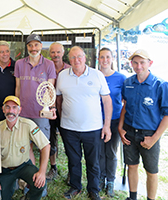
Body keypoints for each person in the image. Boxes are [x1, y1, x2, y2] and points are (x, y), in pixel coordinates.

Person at [56, 46, 112, 200]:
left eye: (79, 56)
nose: (76, 60)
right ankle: (75, 186)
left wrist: (106, 126)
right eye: (72, 57)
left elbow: (107, 101)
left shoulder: (97, 75)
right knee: (73, 160)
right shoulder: (62, 76)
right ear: (69, 60)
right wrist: (62, 120)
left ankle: (93, 190)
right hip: (69, 128)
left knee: (93, 162)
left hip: (93, 128)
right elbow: (58, 100)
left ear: (85, 57)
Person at [118, 49, 168, 200]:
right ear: (131, 64)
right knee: (131, 166)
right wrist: (120, 128)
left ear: (150, 63)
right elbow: (125, 106)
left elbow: (167, 114)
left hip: (149, 134)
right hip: (129, 132)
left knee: (151, 171)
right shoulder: (128, 83)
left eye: (142, 62)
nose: (138, 66)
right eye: (135, 62)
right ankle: (132, 197)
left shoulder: (160, 85)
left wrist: (154, 138)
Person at [0, 95, 50, 200]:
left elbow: (46, 146)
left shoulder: (29, 125)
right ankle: (11, 184)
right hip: (5, 170)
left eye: (14, 107)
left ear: (19, 110)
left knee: (40, 184)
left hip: (23, 166)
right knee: (1, 197)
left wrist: (42, 172)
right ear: (3, 109)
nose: (11, 111)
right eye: (7, 107)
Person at [14, 33, 56, 164]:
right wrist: (16, 107)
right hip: (24, 112)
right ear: (27, 47)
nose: (33, 48)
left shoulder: (49, 64)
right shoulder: (19, 64)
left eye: (36, 45)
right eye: (30, 45)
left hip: (41, 113)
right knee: (26, 145)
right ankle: (31, 174)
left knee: (43, 145)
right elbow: (18, 87)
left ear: (41, 46)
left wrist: (51, 108)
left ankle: (42, 175)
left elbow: (51, 89)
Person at [98, 47, 126, 197]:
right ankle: (101, 178)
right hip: (96, 120)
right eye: (102, 57)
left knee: (112, 152)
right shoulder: (95, 76)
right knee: (100, 152)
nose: (105, 60)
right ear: (98, 59)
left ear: (113, 59)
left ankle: (110, 181)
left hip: (114, 120)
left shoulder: (120, 78)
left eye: (107, 57)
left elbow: (124, 101)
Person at [46, 42, 71, 182]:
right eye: (53, 52)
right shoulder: (45, 68)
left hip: (66, 110)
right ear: (50, 54)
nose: (55, 55)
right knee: (51, 140)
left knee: (69, 141)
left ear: (63, 53)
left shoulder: (69, 69)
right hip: (49, 110)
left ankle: (71, 170)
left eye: (58, 52)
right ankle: (53, 167)